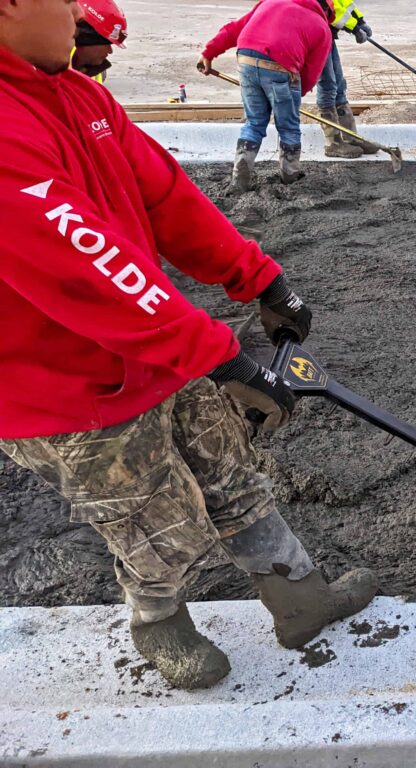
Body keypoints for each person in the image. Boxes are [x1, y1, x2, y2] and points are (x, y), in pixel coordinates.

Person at [0, 0, 377, 690]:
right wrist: (220, 356)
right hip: (62, 390)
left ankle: (301, 598)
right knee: (155, 520)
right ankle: (158, 623)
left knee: (233, 474)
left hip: (151, 352)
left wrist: (260, 278)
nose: (75, 16)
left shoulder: (77, 95)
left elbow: (165, 197)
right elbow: (86, 267)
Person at [198, 0, 336, 191]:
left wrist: (209, 52)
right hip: (281, 65)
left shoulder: (271, 2)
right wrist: (293, 95)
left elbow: (234, 29)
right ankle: (290, 176)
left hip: (246, 59)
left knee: (254, 122)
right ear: (327, 11)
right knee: (288, 127)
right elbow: (312, 72)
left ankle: (240, 174)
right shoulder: (321, 27)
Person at [316, 0, 378, 158]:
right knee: (328, 85)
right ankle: (333, 143)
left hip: (326, 31)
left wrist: (359, 21)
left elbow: (342, 2)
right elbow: (330, 8)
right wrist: (354, 28)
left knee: (338, 84)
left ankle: (350, 137)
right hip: (313, 31)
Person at [70, 0, 126, 83]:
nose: (110, 51)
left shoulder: (96, 71)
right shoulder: (51, 67)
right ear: (88, 38)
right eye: (107, 44)